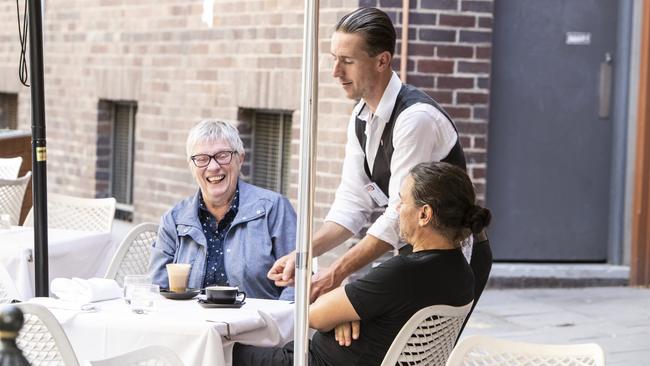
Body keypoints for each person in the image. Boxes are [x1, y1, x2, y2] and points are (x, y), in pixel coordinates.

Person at [268, 7, 472, 302]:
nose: (335, 71)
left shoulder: (415, 118)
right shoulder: (361, 116)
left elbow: (397, 213)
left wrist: (335, 274)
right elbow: (352, 203)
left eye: (347, 61)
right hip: (413, 253)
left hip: (449, 260)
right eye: (334, 59)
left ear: (382, 61)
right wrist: (302, 254)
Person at [233, 162, 492, 366]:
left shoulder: (404, 272)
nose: (397, 208)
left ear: (424, 214)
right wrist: (346, 311)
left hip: (315, 362)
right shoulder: (460, 271)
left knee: (226, 351)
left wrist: (340, 312)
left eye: (402, 201)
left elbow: (314, 315)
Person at [148, 120, 296, 301]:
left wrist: (275, 324)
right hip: (193, 325)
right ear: (191, 166)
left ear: (240, 158)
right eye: (202, 159)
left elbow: (298, 283)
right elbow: (156, 289)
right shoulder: (174, 220)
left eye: (223, 155)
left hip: (258, 324)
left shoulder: (273, 208)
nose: (213, 166)